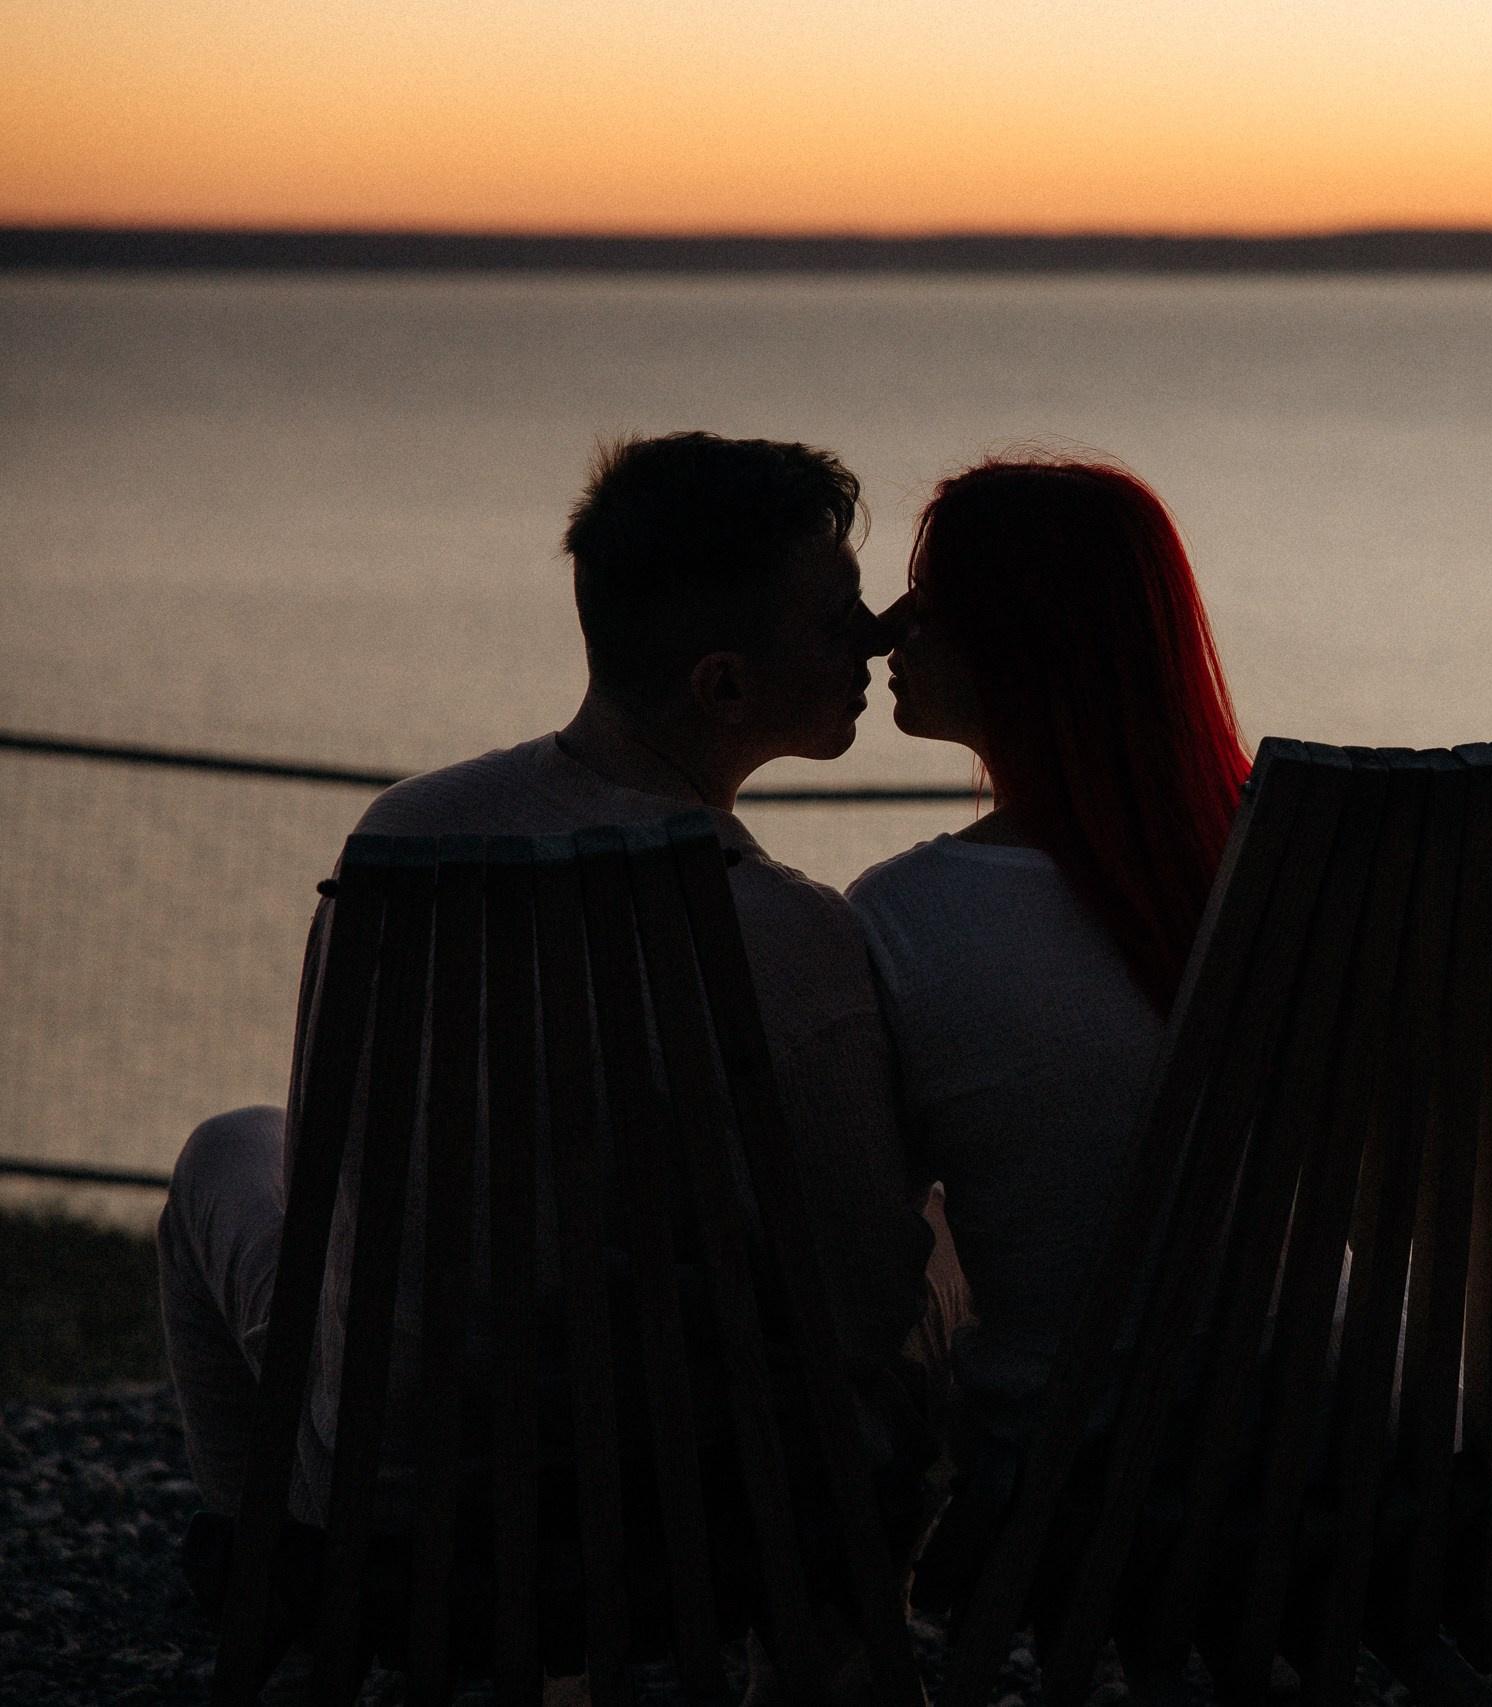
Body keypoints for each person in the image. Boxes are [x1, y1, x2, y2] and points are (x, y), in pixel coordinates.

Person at [848, 455, 1492, 1706]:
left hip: (1104, 1467)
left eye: (927, 594)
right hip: (1398, 1438)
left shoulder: (906, 918)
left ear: (1022, 632)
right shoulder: (1304, 878)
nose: (886, 628)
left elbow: (867, 1234)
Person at [156, 431, 935, 1577]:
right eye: (838, 621)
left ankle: (267, 1568)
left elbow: (344, 1173)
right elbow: (862, 1303)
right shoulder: (786, 934)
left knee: (230, 1149)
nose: (875, 641)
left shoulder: (405, 838)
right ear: (722, 685)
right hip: (684, 1504)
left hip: (397, 1489)